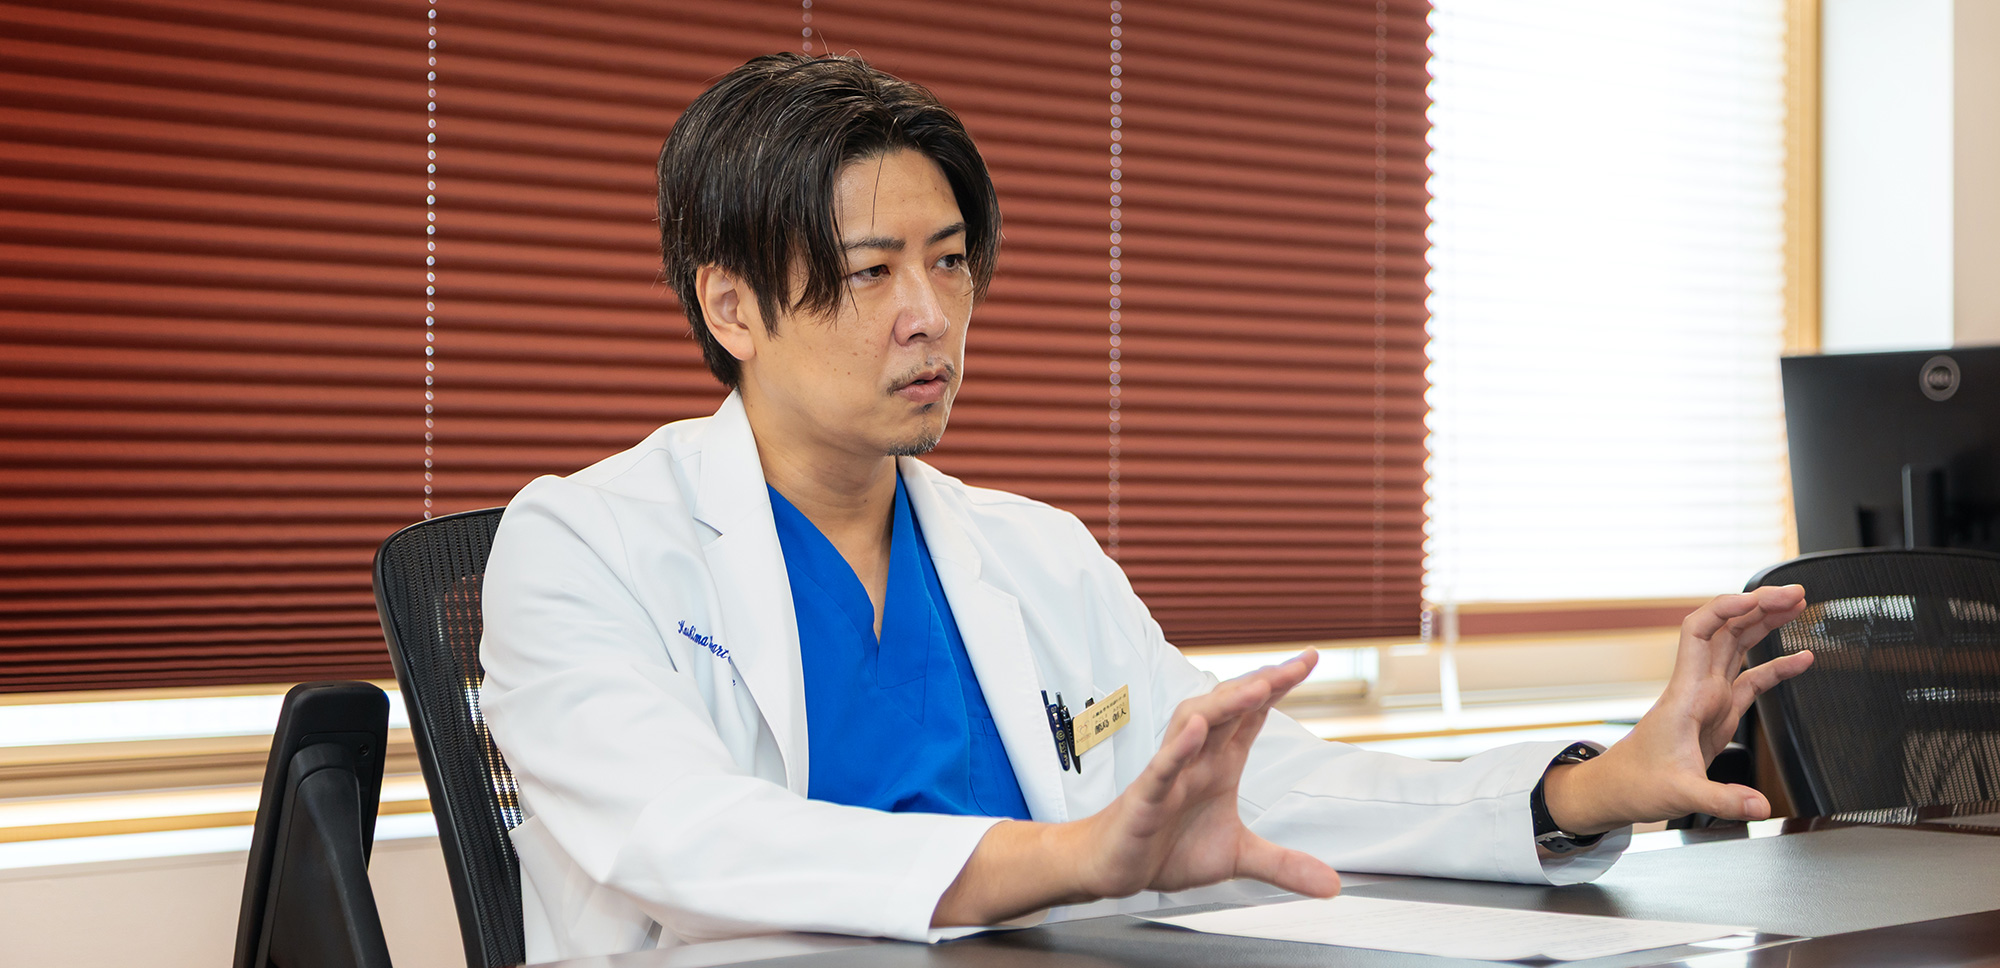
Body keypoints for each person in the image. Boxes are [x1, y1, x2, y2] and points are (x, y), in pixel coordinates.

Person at [479, 53, 1813, 961]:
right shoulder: (584, 545)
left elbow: (1249, 788)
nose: (930, 315)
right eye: (871, 271)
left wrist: (1585, 789)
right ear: (730, 307)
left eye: (951, 263)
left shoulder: (1033, 554)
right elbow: (688, 834)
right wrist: (1076, 859)